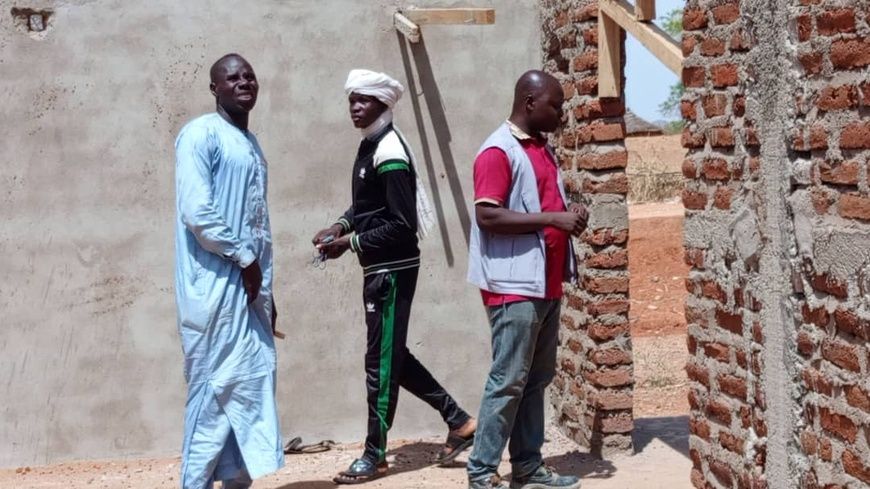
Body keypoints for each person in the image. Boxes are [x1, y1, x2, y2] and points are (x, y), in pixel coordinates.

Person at [313, 69, 477, 485]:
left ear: (384, 104)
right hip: (379, 266)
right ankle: (458, 420)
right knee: (392, 355)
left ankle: (375, 455)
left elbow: (402, 225)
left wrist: (349, 244)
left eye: (363, 100)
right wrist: (339, 226)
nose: (355, 107)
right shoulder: (370, 144)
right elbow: (368, 208)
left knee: (379, 363)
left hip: (391, 269)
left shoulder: (388, 150)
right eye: (352, 99)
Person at [465, 70, 588, 489]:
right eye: (556, 105)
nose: (562, 114)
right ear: (530, 101)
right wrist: (553, 218)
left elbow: (542, 203)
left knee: (536, 380)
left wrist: (569, 218)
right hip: (512, 287)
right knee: (508, 380)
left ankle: (528, 466)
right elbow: (488, 215)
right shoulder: (497, 151)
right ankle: (481, 472)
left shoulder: (540, 148)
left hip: (545, 283)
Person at [174, 53, 284, 489]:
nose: (244, 82)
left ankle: (237, 481)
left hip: (248, 290)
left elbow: (258, 225)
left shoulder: (250, 143)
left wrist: (267, 292)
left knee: (250, 387)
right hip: (213, 291)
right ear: (214, 88)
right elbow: (196, 211)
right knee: (214, 391)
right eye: (232, 77)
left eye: (250, 76)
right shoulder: (200, 134)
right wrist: (243, 257)